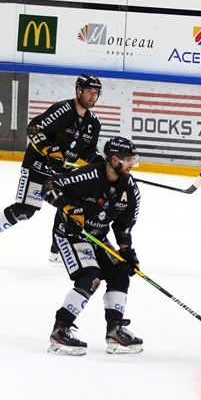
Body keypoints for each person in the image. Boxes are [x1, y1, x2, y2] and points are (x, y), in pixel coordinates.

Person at [0, 74, 104, 263]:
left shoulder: (93, 123)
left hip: (61, 172)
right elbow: (34, 128)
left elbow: (89, 151)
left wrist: (103, 166)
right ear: (78, 91)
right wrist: (51, 149)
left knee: (72, 204)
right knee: (26, 209)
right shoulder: (63, 110)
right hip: (37, 166)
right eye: (89, 91)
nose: (92, 96)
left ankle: (58, 246)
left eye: (96, 92)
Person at [42, 136, 143, 356]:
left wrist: (127, 252)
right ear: (114, 159)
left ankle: (115, 330)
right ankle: (61, 330)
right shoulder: (88, 175)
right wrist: (67, 207)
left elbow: (124, 225)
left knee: (119, 273)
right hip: (69, 234)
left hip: (97, 235)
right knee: (91, 276)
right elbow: (49, 185)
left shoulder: (130, 189)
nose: (132, 165)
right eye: (128, 160)